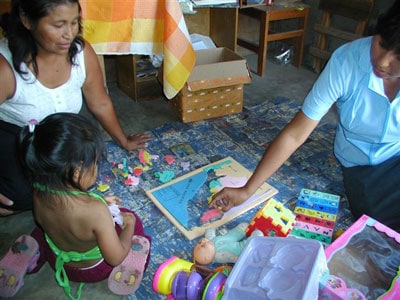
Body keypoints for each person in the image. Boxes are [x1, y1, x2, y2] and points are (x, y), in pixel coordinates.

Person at [210, 0, 400, 231]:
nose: (383, 61)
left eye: (398, 57)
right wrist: (248, 189)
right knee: (380, 226)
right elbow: (295, 135)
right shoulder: (347, 62)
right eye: (381, 44)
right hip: (362, 162)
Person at [0, 0, 151, 216]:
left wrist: (123, 140)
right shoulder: (5, 68)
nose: (68, 34)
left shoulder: (80, 51)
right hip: (16, 137)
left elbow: (99, 101)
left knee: (81, 177)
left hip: (61, 133)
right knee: (21, 198)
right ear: (27, 20)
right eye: (58, 25)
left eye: (74, 23)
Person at [14, 112, 151, 299]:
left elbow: (65, 211)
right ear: (77, 170)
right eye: (94, 162)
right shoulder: (95, 210)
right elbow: (115, 257)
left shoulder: (39, 191)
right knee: (129, 217)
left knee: (42, 230)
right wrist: (128, 226)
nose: (96, 167)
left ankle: (33, 253)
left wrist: (101, 202)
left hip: (57, 259)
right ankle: (130, 265)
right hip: (92, 270)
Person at [193, 223, 262, 265]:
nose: (202, 242)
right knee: (241, 247)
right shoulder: (219, 256)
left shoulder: (211, 243)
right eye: (202, 245)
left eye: (199, 242)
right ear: (207, 257)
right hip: (237, 250)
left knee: (234, 233)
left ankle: (240, 231)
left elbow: (210, 236)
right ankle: (253, 240)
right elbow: (233, 259)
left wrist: (209, 230)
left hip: (230, 237)